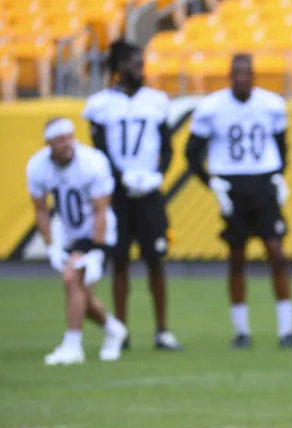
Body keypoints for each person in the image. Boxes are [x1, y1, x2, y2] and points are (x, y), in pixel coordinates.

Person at [185, 54, 292, 349]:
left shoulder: (271, 104)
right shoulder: (212, 107)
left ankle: (286, 330)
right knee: (236, 256)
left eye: (245, 73)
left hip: (262, 181)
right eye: (235, 73)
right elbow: (192, 152)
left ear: (253, 75)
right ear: (229, 75)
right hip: (232, 183)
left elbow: (281, 145)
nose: (241, 78)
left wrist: (278, 175)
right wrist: (211, 182)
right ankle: (241, 331)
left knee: (276, 252)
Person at [83, 39, 182, 351]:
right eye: (132, 64)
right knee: (120, 261)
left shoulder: (156, 101)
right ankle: (121, 330)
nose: (138, 70)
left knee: (155, 259)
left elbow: (167, 147)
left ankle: (162, 330)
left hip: (148, 191)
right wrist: (120, 176)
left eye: (140, 64)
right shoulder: (101, 105)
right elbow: (99, 150)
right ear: (118, 68)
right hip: (118, 194)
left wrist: (156, 175)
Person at [29, 118, 129, 365]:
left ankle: (72, 346)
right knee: (82, 294)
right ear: (49, 143)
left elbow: (101, 210)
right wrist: (51, 245)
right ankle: (114, 329)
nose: (66, 144)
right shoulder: (38, 166)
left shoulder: (92, 162)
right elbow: (41, 210)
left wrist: (97, 250)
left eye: (69, 137)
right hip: (69, 233)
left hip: (98, 233)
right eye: (60, 139)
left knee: (71, 279)